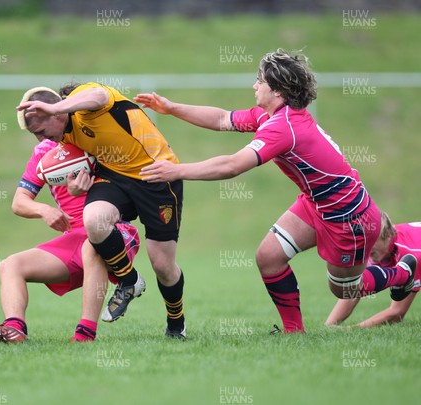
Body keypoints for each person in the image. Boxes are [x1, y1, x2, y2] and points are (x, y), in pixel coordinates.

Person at [134, 49, 416, 333]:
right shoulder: (272, 116)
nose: (254, 85)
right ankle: (294, 333)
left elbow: (233, 165)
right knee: (268, 257)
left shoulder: (284, 127)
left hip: (348, 215)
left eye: (260, 80)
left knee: (345, 291)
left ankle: (403, 272)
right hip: (315, 202)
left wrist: (177, 170)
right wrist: (171, 108)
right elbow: (222, 119)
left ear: (278, 90)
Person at [17, 82, 187, 339]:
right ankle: (128, 280)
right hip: (116, 177)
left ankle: (176, 322)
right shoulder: (62, 138)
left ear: (58, 113)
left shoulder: (85, 103)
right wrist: (75, 187)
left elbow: (97, 96)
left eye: (41, 131)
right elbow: (81, 166)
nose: (41, 139)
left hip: (157, 175)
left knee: (163, 264)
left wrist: (55, 105)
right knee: (94, 220)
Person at [0, 87, 140, 343]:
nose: (39, 138)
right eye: (33, 133)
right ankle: (14, 329)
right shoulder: (44, 153)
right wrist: (44, 210)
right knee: (9, 265)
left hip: (113, 232)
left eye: (40, 130)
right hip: (72, 237)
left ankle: (85, 334)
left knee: (92, 246)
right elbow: (19, 202)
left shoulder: (94, 136)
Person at [325, 212, 420, 327]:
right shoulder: (376, 250)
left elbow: (397, 313)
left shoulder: (411, 254)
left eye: (370, 241)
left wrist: (351, 329)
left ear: (388, 235)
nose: (365, 248)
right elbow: (354, 290)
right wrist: (329, 326)